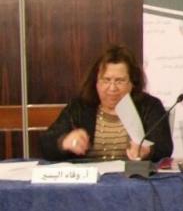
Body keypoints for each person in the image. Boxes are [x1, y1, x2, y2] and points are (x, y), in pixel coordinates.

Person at [40, 45, 173, 162]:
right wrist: (64, 142)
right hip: (90, 180)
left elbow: (164, 148)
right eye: (106, 80)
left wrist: (147, 151)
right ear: (96, 82)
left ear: (132, 83)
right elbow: (46, 144)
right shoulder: (79, 107)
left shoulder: (149, 106)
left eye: (120, 81)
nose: (112, 88)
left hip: (133, 179)